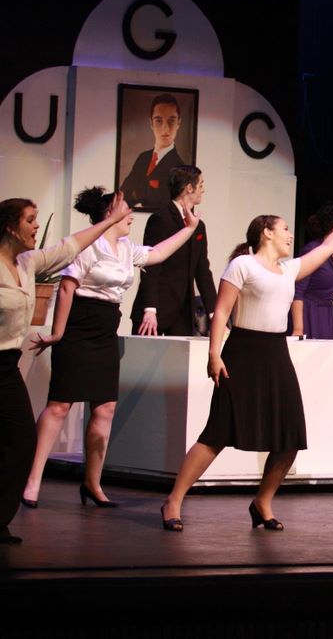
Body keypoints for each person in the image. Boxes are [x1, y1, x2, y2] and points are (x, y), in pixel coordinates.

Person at [159, 197, 333, 532]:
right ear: (267, 232)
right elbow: (222, 311)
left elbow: (330, 244)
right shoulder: (242, 265)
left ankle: (262, 501)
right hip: (242, 352)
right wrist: (214, 354)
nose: (290, 235)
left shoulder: (289, 270)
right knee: (217, 432)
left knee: (290, 436)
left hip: (276, 353)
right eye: (285, 229)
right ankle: (174, 500)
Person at [20, 186, 199, 508]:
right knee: (60, 405)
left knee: (105, 408)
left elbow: (157, 254)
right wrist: (58, 334)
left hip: (105, 331)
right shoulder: (89, 244)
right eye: (126, 209)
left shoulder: (126, 248)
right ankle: (32, 480)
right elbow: (67, 288)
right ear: (109, 213)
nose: (131, 215)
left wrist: (189, 229)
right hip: (79, 327)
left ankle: (93, 483)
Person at [0, 192, 131, 544]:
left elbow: (70, 246)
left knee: (21, 441)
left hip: (7, 365)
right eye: (30, 220)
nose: (36, 226)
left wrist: (110, 221)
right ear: (10, 227)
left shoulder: (27, 262)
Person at [129, 165, 216, 336]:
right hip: (156, 311)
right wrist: (150, 310)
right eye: (200, 185)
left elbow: (202, 270)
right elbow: (150, 266)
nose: (203, 190)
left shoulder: (199, 226)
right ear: (189, 188)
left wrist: (214, 313)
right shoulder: (161, 219)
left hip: (183, 313)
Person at [289, 202, 333, 339]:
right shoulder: (312, 250)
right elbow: (297, 291)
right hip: (308, 315)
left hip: (327, 316)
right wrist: (298, 329)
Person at [120, 93, 187, 210]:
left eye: (171, 121)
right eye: (159, 121)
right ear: (151, 123)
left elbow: (167, 205)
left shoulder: (179, 168)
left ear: (179, 123)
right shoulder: (143, 158)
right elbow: (123, 193)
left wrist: (138, 202)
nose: (165, 129)